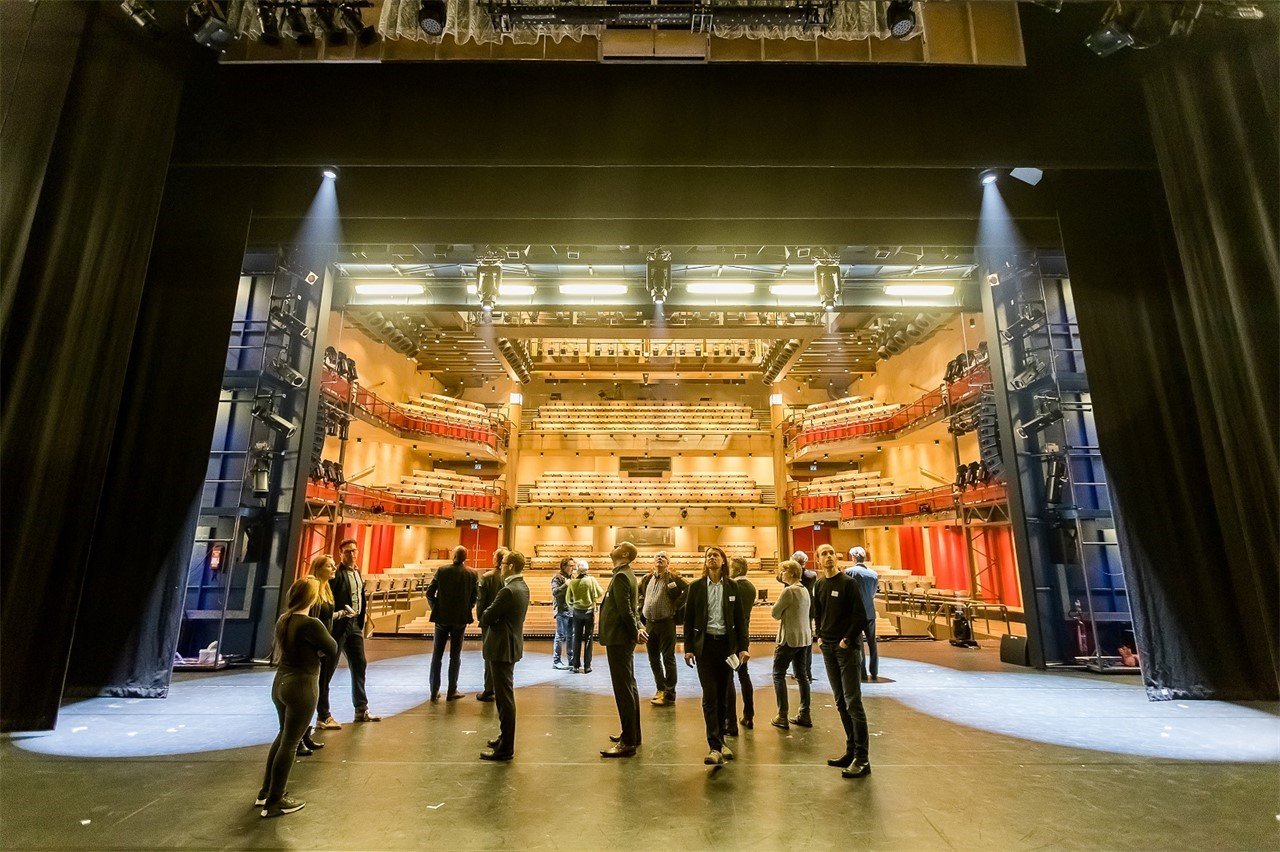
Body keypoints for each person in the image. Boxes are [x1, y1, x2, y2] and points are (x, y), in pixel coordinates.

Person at [257, 577, 337, 818]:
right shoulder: (311, 624)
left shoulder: (285, 620)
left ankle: (265, 792)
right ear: (311, 599)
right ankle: (275, 800)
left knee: (283, 735)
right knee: (290, 743)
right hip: (302, 686)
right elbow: (332, 648)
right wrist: (318, 651)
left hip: (281, 683)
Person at [683, 545, 749, 766]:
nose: (711, 558)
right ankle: (714, 745)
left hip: (726, 648)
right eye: (708, 556)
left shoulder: (732, 587)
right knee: (709, 696)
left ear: (723, 561)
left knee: (723, 696)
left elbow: (740, 620)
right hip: (705, 647)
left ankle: (721, 741)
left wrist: (743, 647)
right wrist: (688, 648)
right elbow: (689, 619)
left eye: (715, 555)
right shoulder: (696, 587)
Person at [812, 543, 871, 778]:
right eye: (823, 554)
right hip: (827, 647)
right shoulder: (819, 585)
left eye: (830, 553)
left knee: (853, 702)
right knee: (840, 702)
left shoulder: (848, 583)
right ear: (817, 560)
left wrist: (847, 640)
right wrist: (819, 636)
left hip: (846, 649)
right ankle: (851, 750)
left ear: (835, 558)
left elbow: (861, 617)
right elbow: (818, 613)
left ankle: (863, 758)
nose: (827, 557)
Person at [316, 539, 379, 727]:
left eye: (354, 550)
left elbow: (360, 598)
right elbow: (327, 603)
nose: (351, 554)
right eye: (347, 551)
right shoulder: (335, 575)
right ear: (340, 554)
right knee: (328, 670)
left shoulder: (358, 573)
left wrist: (360, 622)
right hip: (338, 626)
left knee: (360, 665)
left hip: (354, 626)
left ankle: (361, 709)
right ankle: (323, 715)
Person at [479, 550, 530, 761]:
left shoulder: (508, 590)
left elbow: (487, 616)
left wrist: (488, 615)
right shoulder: (523, 587)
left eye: (503, 564)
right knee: (503, 697)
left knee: (505, 699)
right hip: (510, 644)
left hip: (501, 647)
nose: (500, 567)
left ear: (509, 566)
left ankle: (505, 748)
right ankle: (503, 738)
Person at [599, 542, 644, 757]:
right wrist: (637, 629)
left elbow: (626, 611)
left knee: (623, 689)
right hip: (622, 638)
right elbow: (631, 609)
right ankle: (633, 734)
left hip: (619, 639)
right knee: (629, 686)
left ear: (624, 554)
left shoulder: (621, 576)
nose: (613, 547)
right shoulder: (626, 574)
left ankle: (628, 742)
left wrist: (635, 630)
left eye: (618, 546)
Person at [426, 545, 478, 701]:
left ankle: (434, 692)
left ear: (453, 556)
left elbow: (429, 593)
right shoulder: (472, 574)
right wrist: (467, 608)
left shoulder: (442, 571)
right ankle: (452, 691)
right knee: (455, 656)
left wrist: (436, 608)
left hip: (441, 617)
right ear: (465, 557)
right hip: (460, 619)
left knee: (437, 655)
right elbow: (474, 597)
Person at [638, 551, 688, 706]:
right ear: (653, 561)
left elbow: (689, 589)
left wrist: (677, 605)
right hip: (650, 623)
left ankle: (670, 692)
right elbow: (639, 594)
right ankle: (660, 689)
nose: (660, 558)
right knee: (653, 659)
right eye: (657, 557)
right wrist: (641, 608)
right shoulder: (647, 579)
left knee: (668, 658)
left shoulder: (673, 578)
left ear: (668, 563)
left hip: (666, 623)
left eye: (664, 557)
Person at [769, 559, 813, 730]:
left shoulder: (789, 591)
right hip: (804, 639)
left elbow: (775, 613)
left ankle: (782, 715)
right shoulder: (805, 590)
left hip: (788, 639)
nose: (781, 574)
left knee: (778, 675)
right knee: (802, 676)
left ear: (792, 573)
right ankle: (805, 713)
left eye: (783, 571)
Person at [299, 555, 336, 755]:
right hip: (312, 650)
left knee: (316, 691)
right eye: (329, 566)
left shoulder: (326, 590)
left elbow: (326, 618)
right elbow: (311, 621)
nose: (333, 568)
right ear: (318, 568)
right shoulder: (312, 590)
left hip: (322, 648)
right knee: (307, 695)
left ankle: (306, 734)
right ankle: (299, 739)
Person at [724, 556, 757, 732]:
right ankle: (749, 715)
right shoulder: (751, 587)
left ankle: (730, 722)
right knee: (744, 676)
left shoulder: (732, 586)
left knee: (728, 679)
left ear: (735, 570)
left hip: (730, 638)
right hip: (744, 636)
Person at [474, 547, 508, 701]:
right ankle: (502, 688)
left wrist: (481, 618)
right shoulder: (509, 578)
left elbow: (480, 602)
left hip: (489, 622)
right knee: (504, 657)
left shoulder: (487, 577)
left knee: (489, 656)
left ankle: (489, 689)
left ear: (497, 559)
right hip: (506, 622)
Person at [844, 547, 880, 682]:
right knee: (872, 643)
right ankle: (874, 671)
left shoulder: (849, 572)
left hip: (857, 612)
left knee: (859, 643)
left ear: (853, 557)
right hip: (870, 611)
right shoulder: (874, 574)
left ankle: (862, 672)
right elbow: (873, 593)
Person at [565, 559, 603, 674]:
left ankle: (576, 666)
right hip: (589, 611)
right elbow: (600, 592)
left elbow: (568, 600)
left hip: (577, 612)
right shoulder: (591, 580)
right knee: (588, 639)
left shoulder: (572, 583)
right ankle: (587, 666)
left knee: (576, 638)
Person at [550, 557, 574, 670]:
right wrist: (566, 585)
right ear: (564, 567)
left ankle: (571, 660)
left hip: (571, 610)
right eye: (571, 566)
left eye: (573, 566)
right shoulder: (557, 578)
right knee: (560, 636)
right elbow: (555, 592)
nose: (573, 568)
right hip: (561, 610)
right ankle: (556, 661)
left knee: (571, 636)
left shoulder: (572, 577)